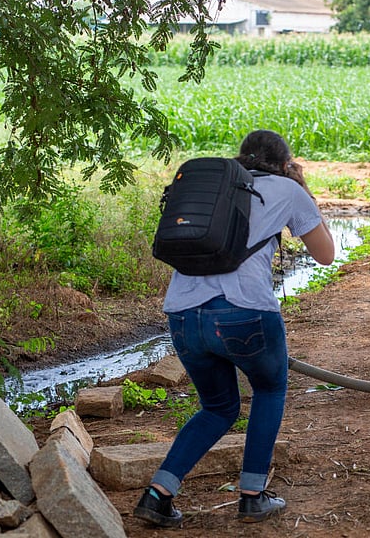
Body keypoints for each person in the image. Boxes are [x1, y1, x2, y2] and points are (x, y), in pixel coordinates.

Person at [133, 129, 335, 527]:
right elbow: (326, 254)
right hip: (245, 313)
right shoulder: (285, 188)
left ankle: (157, 496)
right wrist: (302, 188)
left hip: (184, 316)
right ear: (283, 163)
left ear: (242, 158)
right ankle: (252, 496)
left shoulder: (219, 188)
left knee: (218, 407)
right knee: (270, 388)